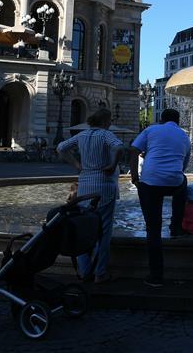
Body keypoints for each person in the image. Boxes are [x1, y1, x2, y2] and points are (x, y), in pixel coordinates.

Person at [57, 107, 123, 283]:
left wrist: (77, 164)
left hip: (85, 187)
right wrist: (111, 165)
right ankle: (100, 273)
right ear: (104, 122)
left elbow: (61, 148)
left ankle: (85, 270)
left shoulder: (82, 135)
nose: (110, 124)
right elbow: (119, 147)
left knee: (84, 229)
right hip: (104, 187)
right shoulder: (104, 134)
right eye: (109, 121)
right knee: (104, 232)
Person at [129, 108, 191, 288]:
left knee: (153, 229)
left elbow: (133, 150)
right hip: (174, 183)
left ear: (162, 120)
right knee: (183, 182)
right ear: (178, 121)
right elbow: (184, 164)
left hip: (149, 184)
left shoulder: (151, 130)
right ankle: (176, 225)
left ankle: (156, 275)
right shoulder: (184, 136)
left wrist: (134, 177)